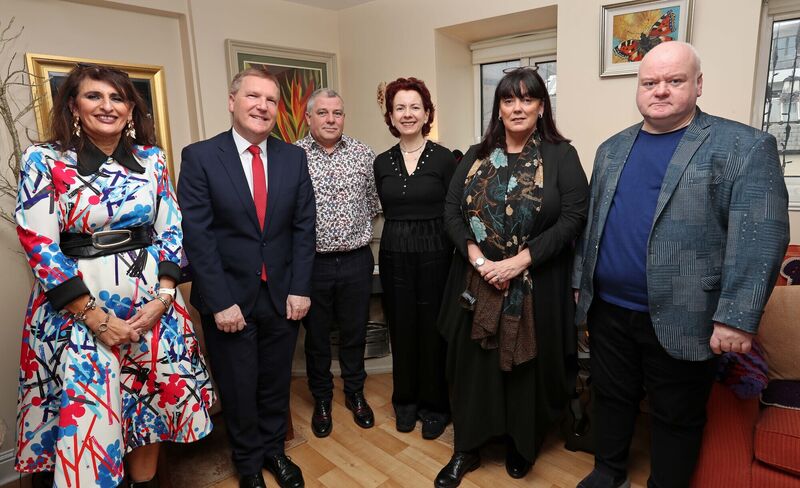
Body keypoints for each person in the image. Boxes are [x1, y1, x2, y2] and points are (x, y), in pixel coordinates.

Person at [572, 41, 790, 488]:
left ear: (698, 84)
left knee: (676, 414)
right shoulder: (611, 149)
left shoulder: (744, 146)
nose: (660, 91)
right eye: (650, 82)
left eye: (674, 80)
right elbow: (593, 225)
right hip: (610, 309)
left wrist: (736, 319)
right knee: (611, 396)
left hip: (688, 313)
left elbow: (761, 237)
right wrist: (581, 284)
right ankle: (608, 472)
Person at [14, 63, 214, 488]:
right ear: (73, 105)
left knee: (150, 410)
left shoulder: (152, 159)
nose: (107, 106)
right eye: (94, 96)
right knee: (90, 418)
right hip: (77, 312)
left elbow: (171, 228)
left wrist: (164, 296)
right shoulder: (45, 159)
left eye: (117, 98)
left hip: (153, 310)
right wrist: (94, 317)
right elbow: (38, 243)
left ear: (130, 109)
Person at [434, 67, 588, 488]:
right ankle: (466, 447)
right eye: (508, 100)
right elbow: (451, 212)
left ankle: (522, 443)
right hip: (476, 281)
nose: (517, 107)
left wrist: (520, 261)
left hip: (534, 283)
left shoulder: (562, 156)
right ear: (498, 108)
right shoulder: (474, 153)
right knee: (473, 369)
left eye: (527, 99)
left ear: (541, 107)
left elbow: (575, 217)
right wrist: (478, 258)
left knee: (524, 369)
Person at [178, 67, 315, 488]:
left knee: (276, 383)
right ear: (232, 101)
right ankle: (249, 465)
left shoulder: (294, 157)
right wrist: (219, 302)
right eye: (254, 97)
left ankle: (275, 452)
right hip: (230, 299)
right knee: (239, 390)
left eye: (271, 100)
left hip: (280, 296)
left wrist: (299, 288)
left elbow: (303, 227)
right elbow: (197, 237)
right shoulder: (200, 157)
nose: (263, 106)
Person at [294, 88, 380, 438]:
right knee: (316, 337)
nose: (331, 120)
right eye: (324, 113)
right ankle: (323, 399)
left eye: (338, 113)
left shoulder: (363, 153)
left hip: (357, 260)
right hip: (311, 264)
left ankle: (356, 394)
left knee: (354, 332)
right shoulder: (292, 156)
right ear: (309, 117)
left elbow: (374, 203)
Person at [373, 77, 455, 439]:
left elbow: (456, 211)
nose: (408, 114)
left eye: (415, 107)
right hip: (394, 254)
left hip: (436, 254)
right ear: (391, 115)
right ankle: (405, 402)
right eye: (400, 108)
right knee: (401, 329)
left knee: (433, 331)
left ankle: (436, 406)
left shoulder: (444, 158)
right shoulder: (381, 162)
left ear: (426, 113)